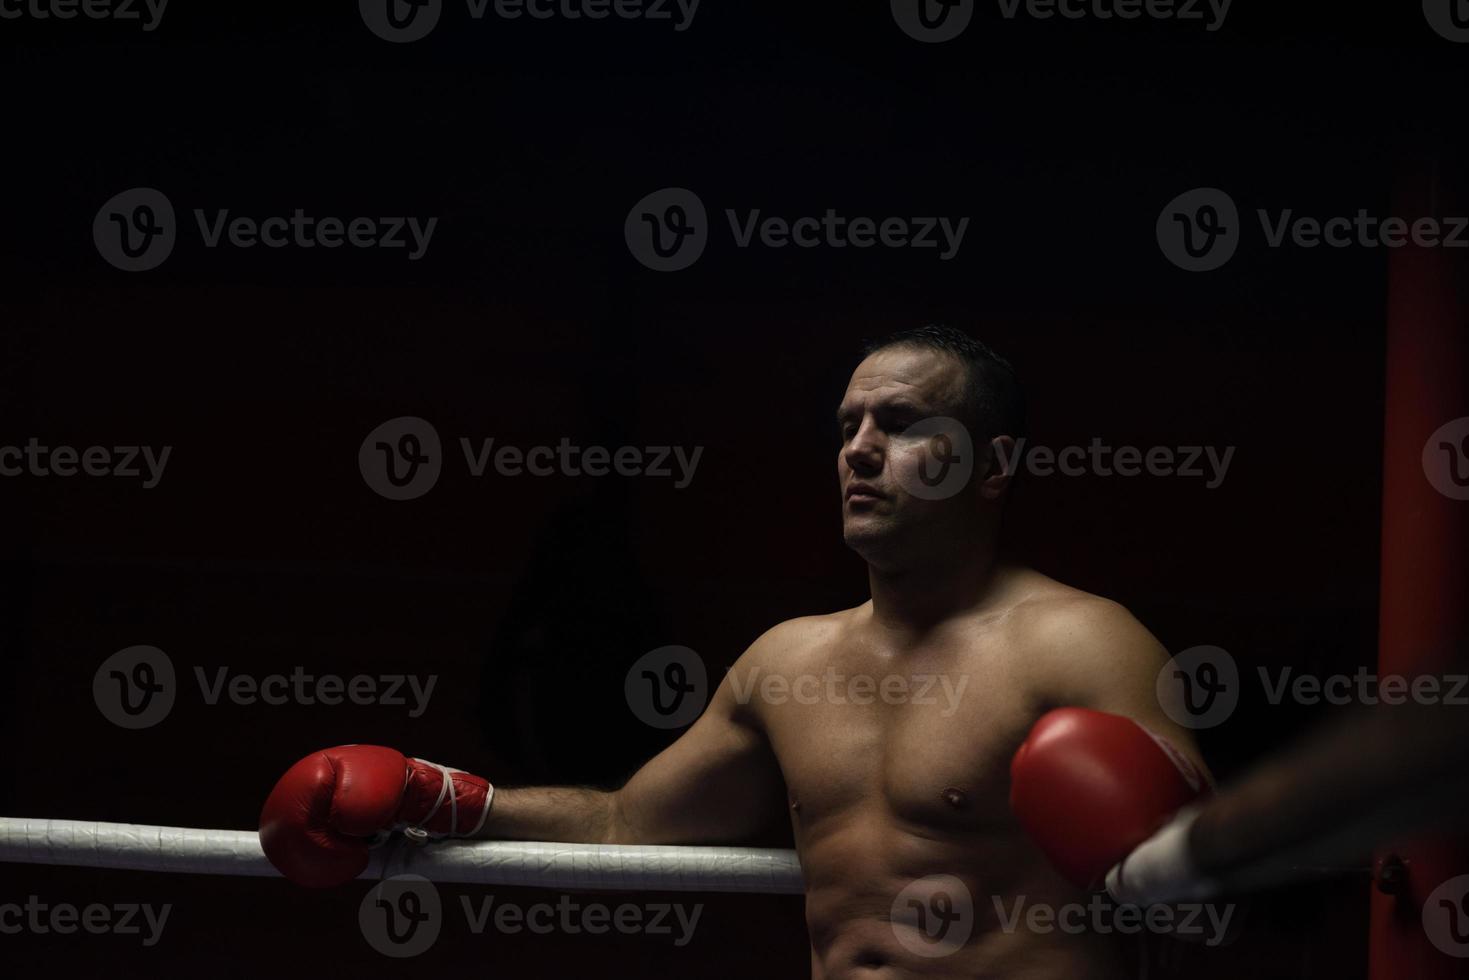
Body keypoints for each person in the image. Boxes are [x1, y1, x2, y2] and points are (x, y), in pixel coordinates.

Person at [262, 324, 1214, 978]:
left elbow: (1210, 897)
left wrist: (1174, 862)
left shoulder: (1078, 640)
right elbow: (627, 827)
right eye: (849, 427)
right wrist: (441, 798)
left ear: (993, 467)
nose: (861, 449)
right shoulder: (785, 664)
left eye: (905, 425)